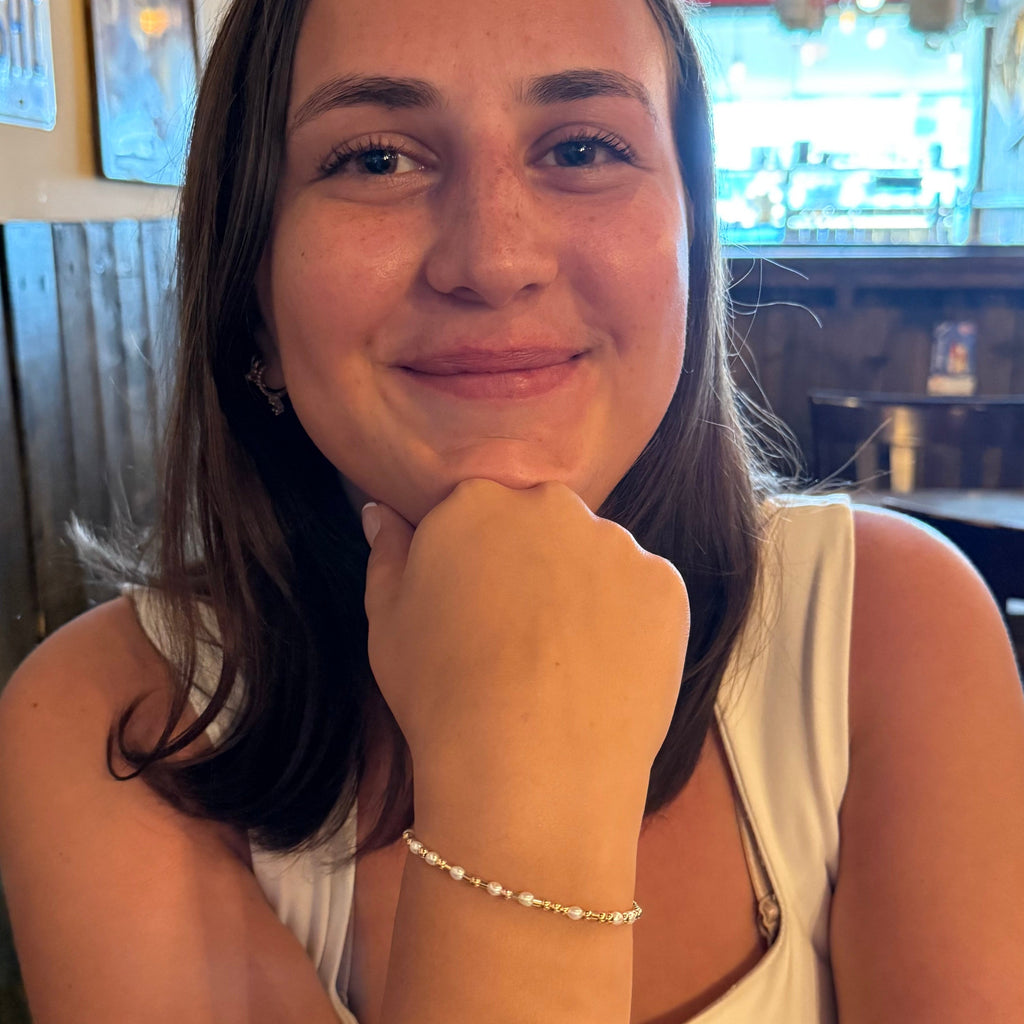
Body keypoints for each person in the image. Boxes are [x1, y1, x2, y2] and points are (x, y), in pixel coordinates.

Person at [1, 0, 1022, 1021]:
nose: (492, 261)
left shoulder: (893, 624)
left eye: (583, 148)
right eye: (374, 160)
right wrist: (518, 796)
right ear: (251, 295)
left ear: (691, 240)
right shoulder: (112, 721)